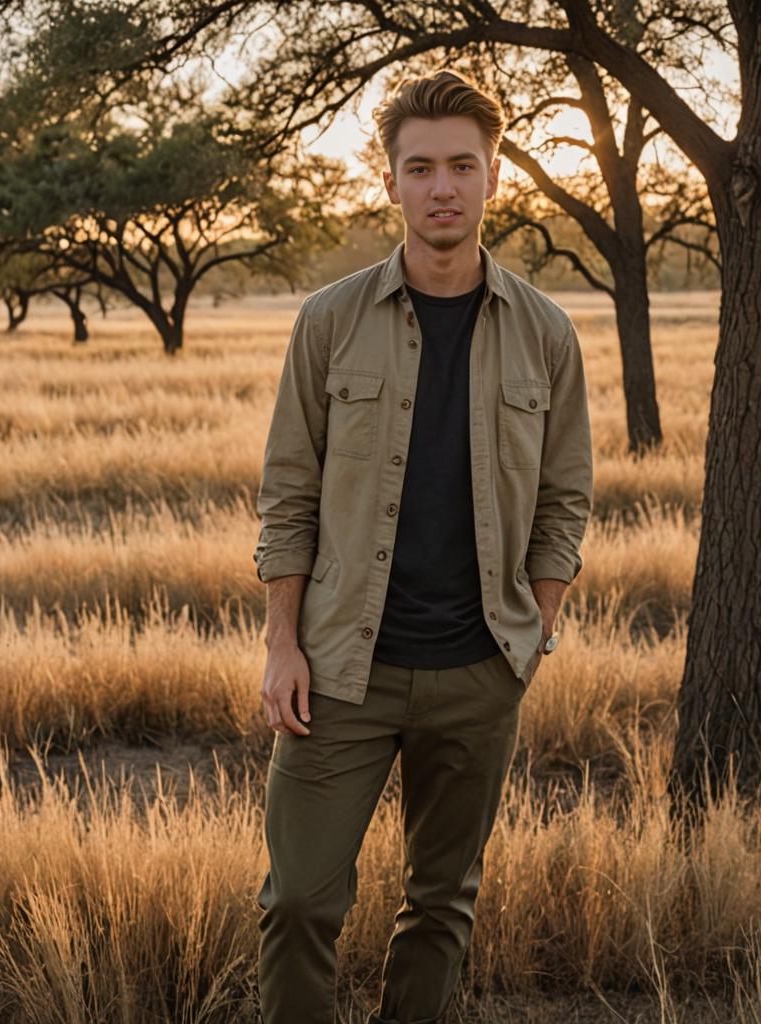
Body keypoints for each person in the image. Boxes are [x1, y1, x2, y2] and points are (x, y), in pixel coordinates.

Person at [251, 66, 593, 1024]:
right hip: (339, 671)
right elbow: (289, 493)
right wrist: (283, 644)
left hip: (480, 670)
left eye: (461, 165)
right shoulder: (328, 322)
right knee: (300, 902)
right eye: (420, 167)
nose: (441, 185)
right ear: (390, 179)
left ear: (493, 177)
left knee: (442, 905)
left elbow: (566, 498)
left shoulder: (547, 334)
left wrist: (535, 633)